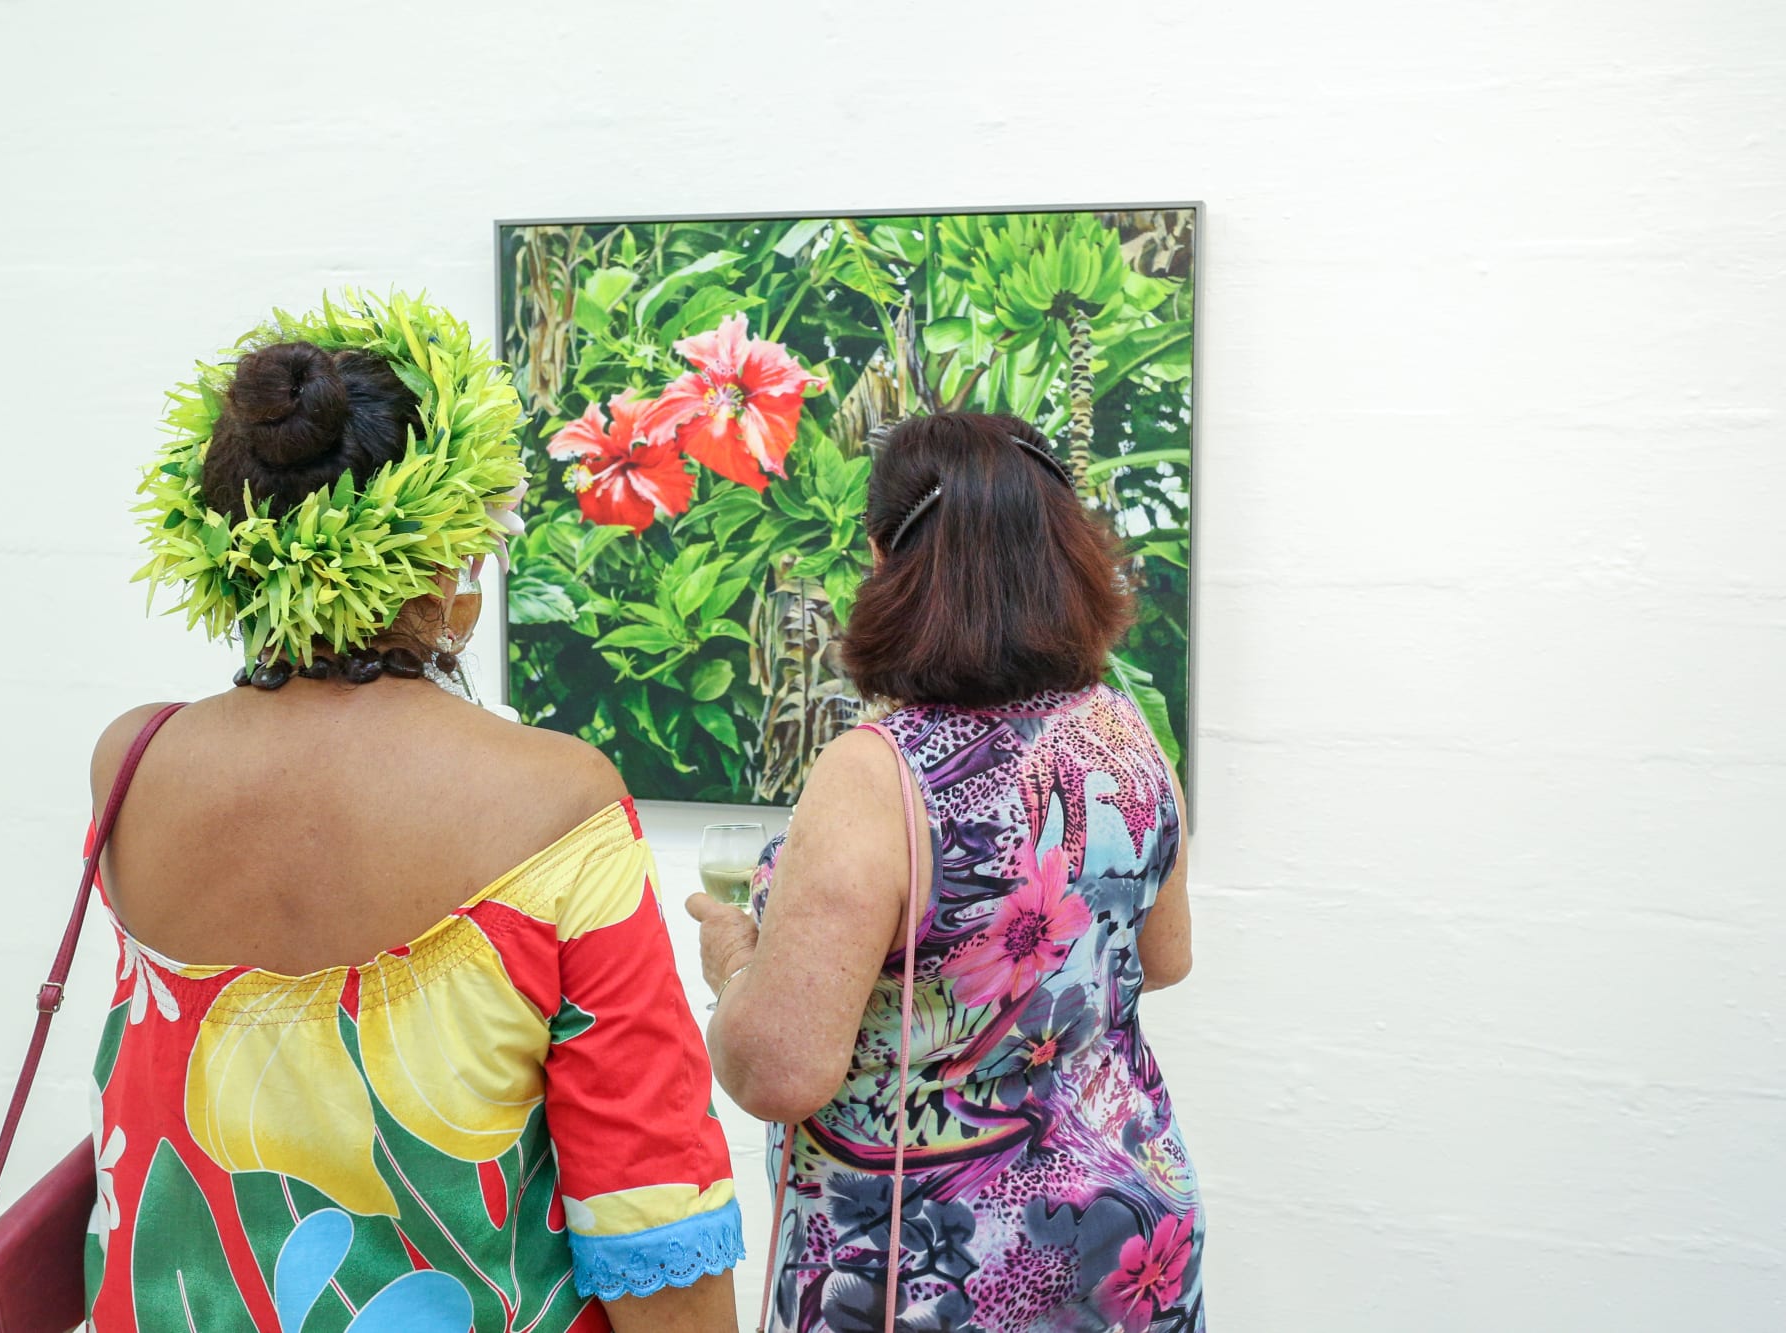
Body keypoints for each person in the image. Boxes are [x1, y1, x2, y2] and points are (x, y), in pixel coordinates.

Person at [86, 294, 741, 1332]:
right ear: (449, 545)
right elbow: (646, 1200)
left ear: (228, 540)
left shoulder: (132, 762)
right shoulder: (558, 798)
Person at [689, 412, 1202, 1333]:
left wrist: (733, 960)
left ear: (887, 560)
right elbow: (1163, 957)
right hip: (1126, 1244)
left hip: (937, 1275)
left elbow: (779, 1070)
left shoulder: (877, 772)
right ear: (1065, 551)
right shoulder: (1125, 732)